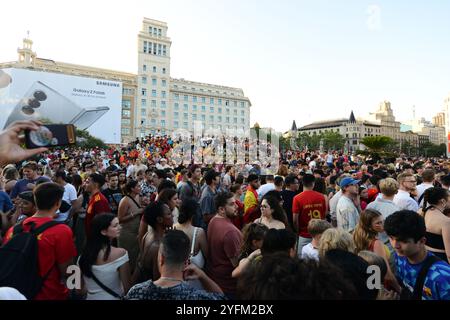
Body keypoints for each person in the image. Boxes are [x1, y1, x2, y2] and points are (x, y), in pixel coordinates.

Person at [2, 183, 77, 300]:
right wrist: (79, 289)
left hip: (18, 292)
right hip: (50, 294)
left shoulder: (14, 229)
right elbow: (69, 269)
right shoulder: (61, 231)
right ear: (58, 203)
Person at [125, 230, 225, 300]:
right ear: (187, 262)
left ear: (161, 259)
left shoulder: (137, 292)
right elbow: (221, 298)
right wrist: (203, 276)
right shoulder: (195, 296)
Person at [384, 210, 450, 300]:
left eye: (403, 240)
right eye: (391, 238)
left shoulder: (442, 276)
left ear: (422, 241)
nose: (395, 245)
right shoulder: (400, 257)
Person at [78, 214, 131, 300]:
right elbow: (128, 288)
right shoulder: (121, 253)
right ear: (103, 231)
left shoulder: (81, 257)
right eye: (115, 226)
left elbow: (78, 289)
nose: (119, 227)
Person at [353, 209, 401, 292]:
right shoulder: (376, 243)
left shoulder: (359, 237)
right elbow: (387, 274)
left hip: (370, 284)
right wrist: (399, 289)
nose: (382, 224)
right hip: (383, 286)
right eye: (378, 223)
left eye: (383, 221)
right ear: (368, 226)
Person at [206, 192, 243, 298]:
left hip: (217, 282)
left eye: (235, 203)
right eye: (232, 204)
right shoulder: (231, 232)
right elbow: (237, 265)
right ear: (221, 209)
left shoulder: (213, 220)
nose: (236, 206)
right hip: (229, 287)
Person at [133, 201, 173, 283]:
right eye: (169, 214)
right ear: (159, 219)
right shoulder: (158, 246)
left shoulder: (148, 234)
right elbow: (157, 279)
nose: (172, 216)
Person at [292, 174, 327, 255]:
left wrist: (298, 231)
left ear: (302, 183)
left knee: (302, 261)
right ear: (313, 183)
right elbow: (324, 215)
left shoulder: (297, 198)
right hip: (319, 233)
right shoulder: (321, 197)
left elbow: (295, 220)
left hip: (304, 234)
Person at [117, 180, 144, 272]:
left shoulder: (137, 197)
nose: (140, 188)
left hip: (135, 232)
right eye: (138, 186)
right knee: (126, 258)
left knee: (134, 257)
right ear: (132, 189)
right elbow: (120, 219)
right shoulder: (125, 200)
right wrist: (136, 213)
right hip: (126, 234)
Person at [420, 187, 450, 263]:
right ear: (443, 201)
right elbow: (449, 254)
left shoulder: (422, 211)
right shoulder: (446, 222)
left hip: (425, 256)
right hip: (441, 260)